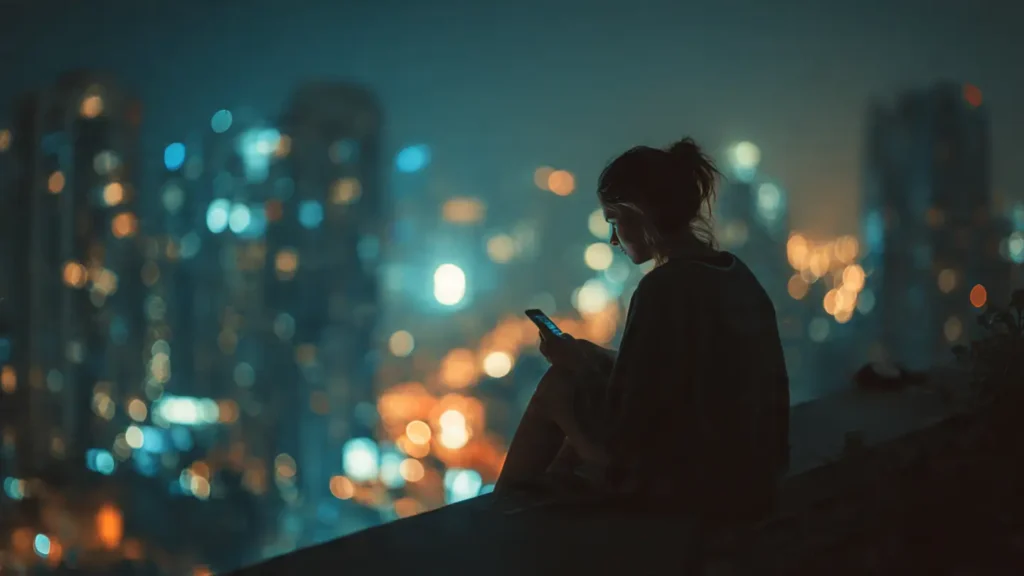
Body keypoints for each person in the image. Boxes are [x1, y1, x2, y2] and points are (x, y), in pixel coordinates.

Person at [495, 137, 790, 530]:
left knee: (557, 388)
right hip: (752, 474)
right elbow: (681, 379)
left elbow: (629, 425)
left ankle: (496, 523)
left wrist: (580, 370)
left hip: (692, 489)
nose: (613, 239)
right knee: (582, 363)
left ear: (641, 214)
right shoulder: (734, 273)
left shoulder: (663, 289)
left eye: (614, 221)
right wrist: (592, 359)